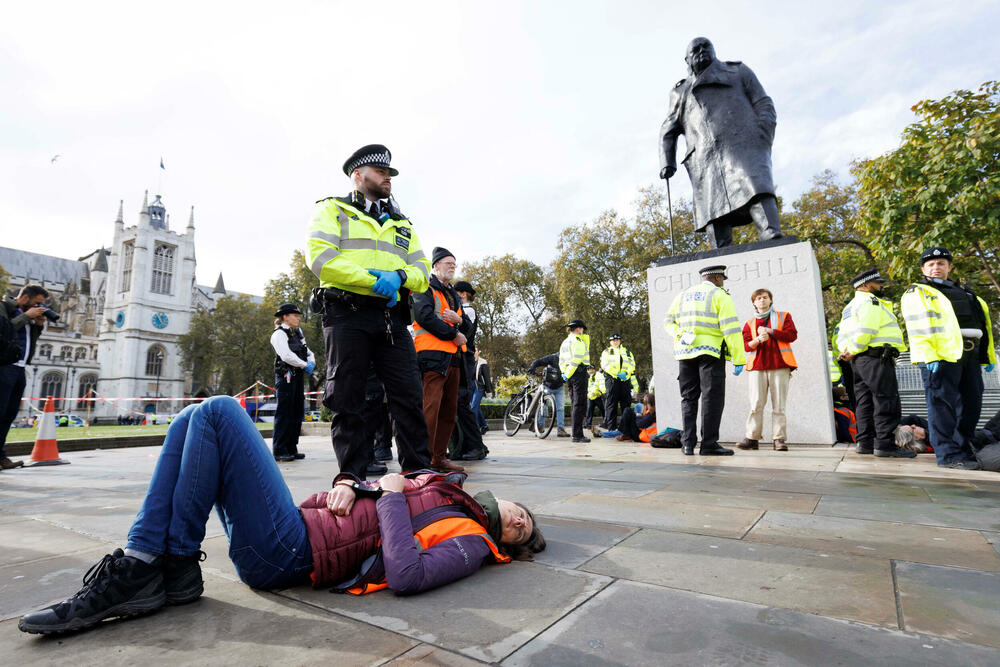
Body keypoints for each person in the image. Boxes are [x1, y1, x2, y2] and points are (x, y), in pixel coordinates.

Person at [17, 396, 545, 635]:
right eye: (526, 515)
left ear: (510, 545)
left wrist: (385, 494)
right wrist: (351, 487)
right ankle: (164, 568)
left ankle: (153, 564)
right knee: (187, 420)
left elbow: (406, 574)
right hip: (300, 526)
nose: (522, 523)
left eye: (524, 534)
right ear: (510, 501)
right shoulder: (448, 491)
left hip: (290, 553)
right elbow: (377, 496)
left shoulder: (475, 543)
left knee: (222, 411)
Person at [306, 144, 433, 480]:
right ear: (358, 175)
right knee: (348, 396)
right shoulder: (332, 210)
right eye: (381, 171)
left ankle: (419, 473)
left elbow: (422, 268)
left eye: (390, 172)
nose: (387, 177)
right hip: (347, 313)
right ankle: (352, 476)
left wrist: (401, 278)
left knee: (408, 393)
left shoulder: (402, 223)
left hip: (392, 317)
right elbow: (320, 259)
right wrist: (373, 282)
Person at [659, 37, 782, 248]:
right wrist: (667, 162)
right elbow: (668, 129)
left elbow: (763, 102)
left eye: (706, 46)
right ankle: (719, 256)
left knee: (757, 188)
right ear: (686, 59)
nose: (701, 51)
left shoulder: (737, 71)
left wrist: (763, 132)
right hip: (704, 158)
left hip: (744, 145)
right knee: (714, 212)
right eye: (695, 49)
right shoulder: (680, 92)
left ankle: (773, 238)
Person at [901, 247, 996, 470]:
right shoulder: (918, 292)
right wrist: (928, 356)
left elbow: (983, 325)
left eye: (941, 263)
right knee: (942, 408)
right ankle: (947, 455)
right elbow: (917, 327)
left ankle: (964, 450)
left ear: (949, 267)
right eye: (931, 264)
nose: (936, 268)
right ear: (923, 269)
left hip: (970, 355)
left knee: (971, 405)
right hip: (940, 357)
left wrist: (987, 355)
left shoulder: (967, 292)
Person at [663, 265, 746, 456]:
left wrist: (681, 334)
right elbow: (731, 329)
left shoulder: (682, 295)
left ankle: (688, 444)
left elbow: (668, 322)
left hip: (685, 352)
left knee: (688, 398)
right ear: (716, 278)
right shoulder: (719, 295)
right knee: (712, 398)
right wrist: (739, 358)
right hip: (711, 352)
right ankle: (708, 444)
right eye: (722, 279)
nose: (723, 282)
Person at [836, 269, 914, 458]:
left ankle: (865, 442)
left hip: (859, 361)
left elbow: (841, 334)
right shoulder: (870, 302)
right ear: (865, 285)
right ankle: (885, 445)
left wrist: (848, 351)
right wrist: (854, 349)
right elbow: (867, 329)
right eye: (877, 283)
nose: (881, 286)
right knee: (885, 400)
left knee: (864, 402)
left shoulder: (850, 306)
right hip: (875, 357)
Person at [413, 247, 470, 472]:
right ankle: (424, 460)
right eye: (448, 263)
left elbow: (468, 327)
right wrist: (454, 332)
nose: (452, 266)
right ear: (435, 266)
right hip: (432, 357)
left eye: (454, 263)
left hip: (454, 358)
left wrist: (460, 322)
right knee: (430, 409)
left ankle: (438, 457)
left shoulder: (453, 294)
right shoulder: (424, 287)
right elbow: (423, 316)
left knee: (448, 412)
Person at [738, 288, 798, 452]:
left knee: (779, 405)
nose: (762, 300)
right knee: (756, 403)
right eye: (758, 298)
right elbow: (744, 345)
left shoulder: (784, 316)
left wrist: (771, 332)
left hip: (779, 365)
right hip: (757, 367)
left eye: (765, 297)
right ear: (754, 303)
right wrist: (758, 339)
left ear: (771, 300)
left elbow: (792, 335)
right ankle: (752, 438)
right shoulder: (749, 323)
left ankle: (779, 439)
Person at [1, 284, 48, 470]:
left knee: (9, 415)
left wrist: (38, 326)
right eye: (37, 303)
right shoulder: (4, 307)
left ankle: (1, 456)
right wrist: (26, 317)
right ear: (25, 298)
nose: (39, 307)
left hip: (20, 368)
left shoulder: (29, 316)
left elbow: (28, 340)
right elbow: (5, 329)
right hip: (4, 365)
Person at [269, 303, 316, 462]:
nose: (298, 318)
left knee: (296, 412)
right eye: (295, 315)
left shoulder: (296, 334)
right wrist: (304, 364)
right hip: (286, 375)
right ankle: (280, 449)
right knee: (284, 412)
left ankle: (291, 447)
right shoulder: (279, 334)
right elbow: (286, 355)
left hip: (297, 375)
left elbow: (308, 352)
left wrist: (311, 362)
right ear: (285, 317)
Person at [449, 280, 488, 461]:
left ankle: (475, 446)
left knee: (462, 403)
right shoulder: (463, 310)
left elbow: (465, 331)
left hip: (465, 358)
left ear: (462, 294)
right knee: (457, 404)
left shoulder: (468, 310)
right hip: (460, 358)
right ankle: (466, 445)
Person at [559, 320, 591, 443]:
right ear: (578, 329)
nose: (582, 331)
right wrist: (569, 373)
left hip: (570, 375)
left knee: (574, 404)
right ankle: (577, 435)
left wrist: (565, 373)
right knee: (580, 404)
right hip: (578, 373)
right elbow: (577, 360)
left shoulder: (565, 342)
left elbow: (561, 360)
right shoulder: (578, 341)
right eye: (581, 329)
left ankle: (576, 433)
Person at [527, 353, 570, 437]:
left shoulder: (570, 361)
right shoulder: (553, 357)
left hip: (559, 387)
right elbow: (538, 361)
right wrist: (532, 367)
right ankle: (540, 426)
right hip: (547, 386)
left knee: (560, 408)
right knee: (543, 406)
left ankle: (560, 429)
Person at [599, 334, 636, 431]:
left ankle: (626, 429)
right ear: (610, 342)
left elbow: (632, 364)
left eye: (617, 340)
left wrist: (626, 373)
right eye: (613, 340)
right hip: (612, 380)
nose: (615, 342)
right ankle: (611, 428)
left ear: (620, 341)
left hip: (625, 380)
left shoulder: (627, 352)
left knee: (626, 404)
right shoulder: (606, 352)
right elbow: (604, 365)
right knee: (611, 405)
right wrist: (617, 373)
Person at [472, 349, 493, 434]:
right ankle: (484, 426)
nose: (473, 352)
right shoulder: (469, 362)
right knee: (476, 407)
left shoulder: (482, 363)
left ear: (478, 352)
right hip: (470, 387)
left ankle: (474, 429)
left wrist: (488, 391)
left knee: (473, 407)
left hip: (479, 388)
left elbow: (487, 379)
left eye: (475, 351)